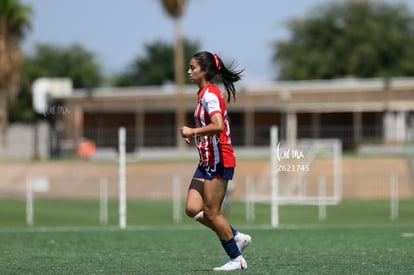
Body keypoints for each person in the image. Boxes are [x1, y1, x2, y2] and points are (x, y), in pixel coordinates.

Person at [180, 51, 252, 271]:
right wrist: (195, 135)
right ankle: (236, 236)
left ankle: (237, 259)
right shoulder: (203, 93)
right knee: (193, 208)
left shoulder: (210, 94)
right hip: (206, 160)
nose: (189, 71)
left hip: (219, 159)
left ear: (206, 71)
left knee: (212, 212)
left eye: (193, 68)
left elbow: (218, 125)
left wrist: (192, 131)